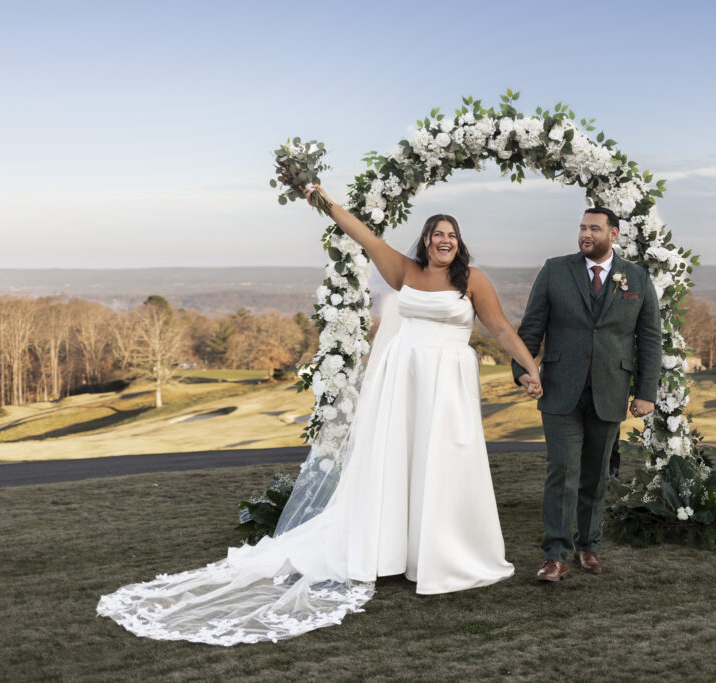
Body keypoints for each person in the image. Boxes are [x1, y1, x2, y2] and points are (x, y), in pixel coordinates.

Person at [97, 187, 543, 645]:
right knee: (397, 462)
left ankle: (445, 553)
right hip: (402, 381)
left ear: (459, 242)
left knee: (446, 462)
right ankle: (389, 551)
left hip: (447, 383)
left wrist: (530, 367)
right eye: (436, 234)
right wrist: (322, 200)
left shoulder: (473, 280)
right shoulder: (404, 271)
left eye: (450, 235)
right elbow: (364, 236)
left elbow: (502, 328)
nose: (443, 241)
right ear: (425, 241)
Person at [512, 206, 661, 582]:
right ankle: (555, 555)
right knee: (562, 470)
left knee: (595, 475)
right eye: (582, 227)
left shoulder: (638, 278)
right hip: (560, 387)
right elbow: (531, 328)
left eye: (594, 228)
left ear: (614, 234)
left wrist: (645, 392)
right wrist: (523, 373)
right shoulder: (555, 270)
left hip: (610, 389)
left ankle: (588, 546)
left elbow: (650, 339)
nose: (585, 234)